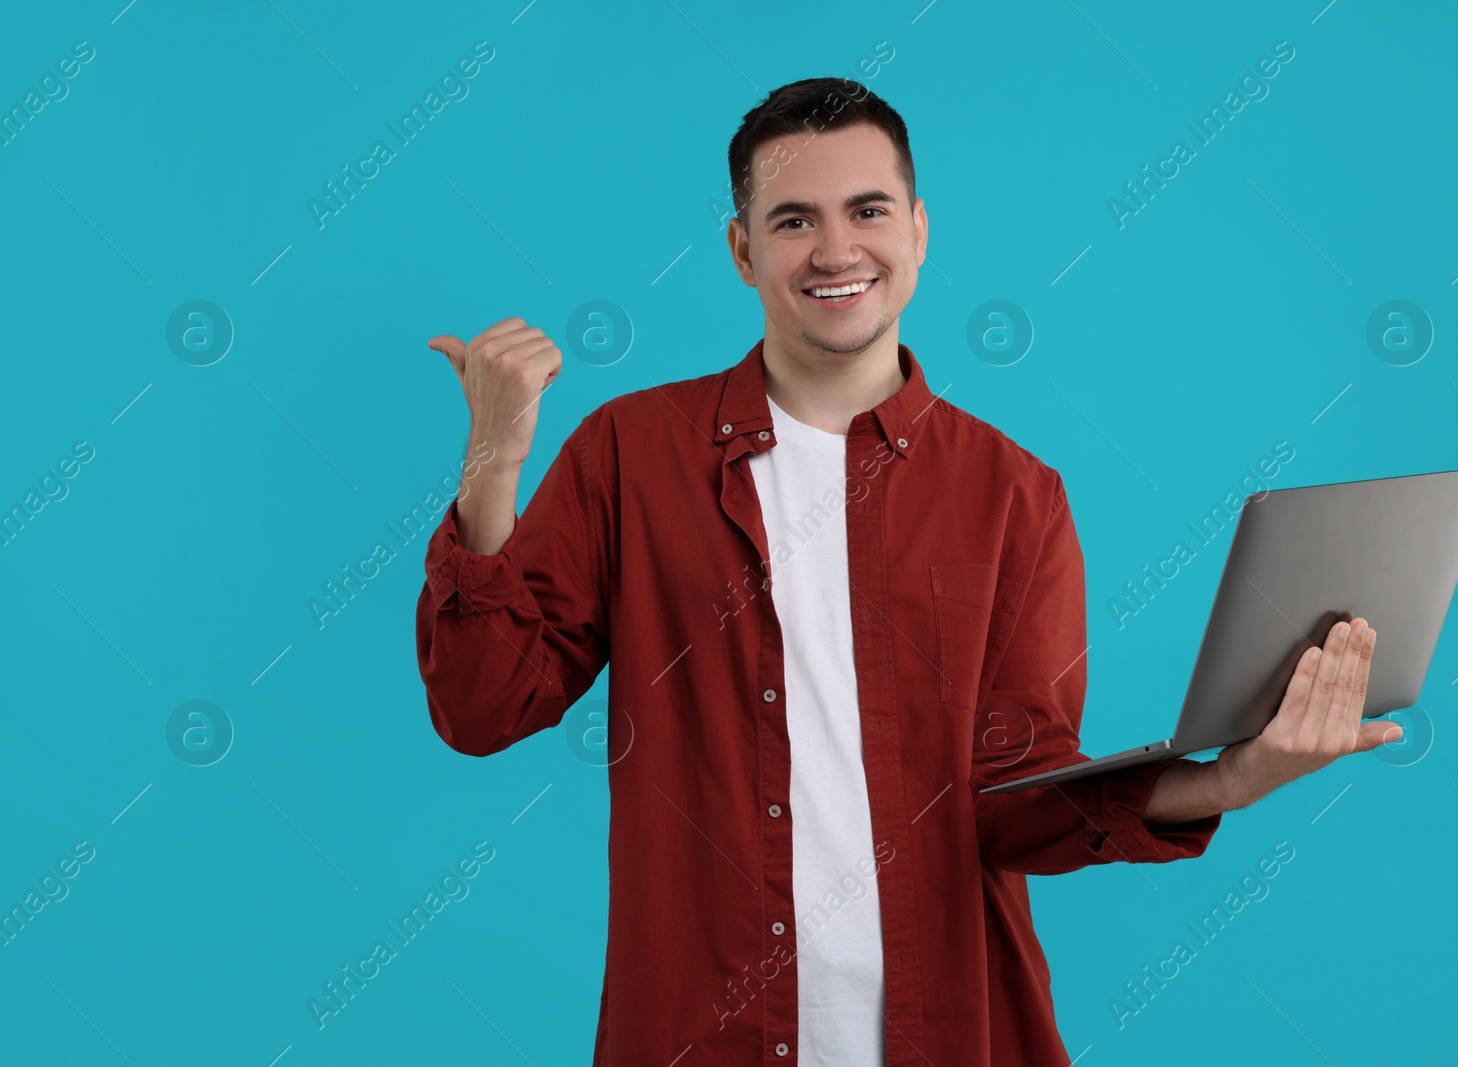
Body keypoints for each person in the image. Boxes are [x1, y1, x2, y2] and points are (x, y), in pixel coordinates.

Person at [415, 76, 1401, 1067]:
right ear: (743, 249)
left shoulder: (1015, 493)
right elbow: (483, 706)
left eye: (867, 210)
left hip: (951, 1030)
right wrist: (492, 463)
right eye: (793, 219)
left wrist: (1231, 775)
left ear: (919, 230)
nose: (836, 251)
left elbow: (1019, 799)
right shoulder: (629, 452)